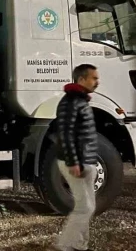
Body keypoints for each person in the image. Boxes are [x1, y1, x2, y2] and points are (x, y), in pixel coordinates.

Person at [51, 64, 99, 251]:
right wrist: (73, 162)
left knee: (89, 207)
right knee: (84, 207)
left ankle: (80, 246)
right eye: (93, 78)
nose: (97, 81)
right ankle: (64, 246)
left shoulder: (80, 101)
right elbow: (65, 133)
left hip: (86, 161)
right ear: (81, 79)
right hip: (76, 162)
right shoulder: (70, 102)